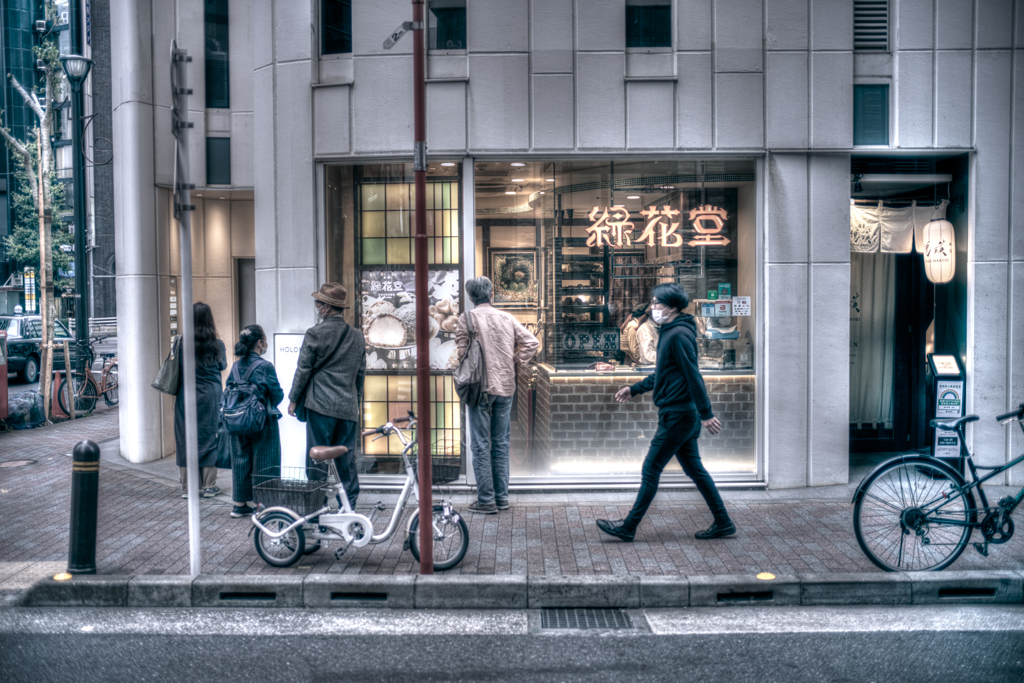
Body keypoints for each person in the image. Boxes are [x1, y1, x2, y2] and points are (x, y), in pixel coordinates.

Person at [596, 283, 736, 542]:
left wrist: (706, 413)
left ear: (671, 306)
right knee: (695, 470)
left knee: (651, 468)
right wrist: (635, 388)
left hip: (679, 415)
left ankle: (628, 526)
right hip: (681, 413)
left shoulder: (678, 334)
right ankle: (723, 521)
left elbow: (692, 374)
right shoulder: (671, 330)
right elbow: (664, 373)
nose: (652, 308)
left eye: (656, 303)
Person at [455, 276, 539, 514]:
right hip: (505, 387)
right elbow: (532, 342)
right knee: (501, 444)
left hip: (479, 388)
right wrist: (515, 359)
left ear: (471, 297)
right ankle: (502, 498)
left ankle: (486, 501)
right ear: (491, 294)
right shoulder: (506, 317)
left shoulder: (467, 318)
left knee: (481, 445)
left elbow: (462, 353)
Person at [288, 283, 365, 508]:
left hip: (320, 406)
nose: (316, 307)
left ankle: (316, 508)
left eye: (318, 303)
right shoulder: (357, 336)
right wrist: (355, 402)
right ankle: (348, 507)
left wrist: (293, 399)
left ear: (327, 308)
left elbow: (303, 370)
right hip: (347, 407)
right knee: (347, 460)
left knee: (316, 460)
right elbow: (361, 374)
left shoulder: (315, 333)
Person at [227, 325, 284, 518]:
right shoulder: (265, 366)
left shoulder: (235, 366)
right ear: (260, 343)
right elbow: (277, 395)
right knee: (266, 460)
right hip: (262, 421)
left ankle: (239, 504)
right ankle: (263, 505)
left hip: (237, 421)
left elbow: (228, 390)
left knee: (241, 459)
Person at [176, 302, 227, 499]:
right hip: (210, 396)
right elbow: (222, 366)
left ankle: (188, 487)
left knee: (185, 437)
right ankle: (208, 485)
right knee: (210, 436)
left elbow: (175, 369)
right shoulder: (217, 344)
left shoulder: (180, 343)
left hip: (186, 395)